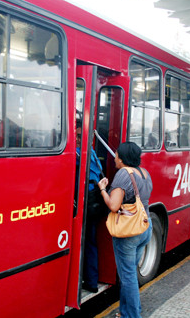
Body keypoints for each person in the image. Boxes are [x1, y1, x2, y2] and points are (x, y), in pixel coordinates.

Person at [97, 142, 153, 318]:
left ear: (122, 158)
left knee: (127, 276)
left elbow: (114, 206)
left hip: (129, 233)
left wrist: (103, 189)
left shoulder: (123, 174)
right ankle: (127, 311)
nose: (114, 156)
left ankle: (132, 315)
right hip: (145, 227)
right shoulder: (144, 173)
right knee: (130, 274)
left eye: (116, 154)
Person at [75, 125, 104, 293]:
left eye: (80, 136)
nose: (77, 139)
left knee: (84, 242)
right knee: (90, 243)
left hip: (86, 206)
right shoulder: (92, 153)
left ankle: (87, 281)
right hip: (94, 205)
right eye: (76, 136)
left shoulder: (80, 154)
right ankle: (91, 281)